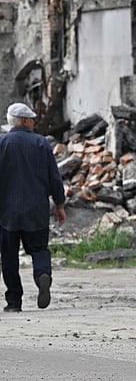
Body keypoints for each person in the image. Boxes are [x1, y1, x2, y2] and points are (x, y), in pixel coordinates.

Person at [0, 102, 66, 312]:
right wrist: (60, 204)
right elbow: (54, 178)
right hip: (36, 210)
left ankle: (13, 302)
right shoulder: (41, 143)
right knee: (39, 250)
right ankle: (42, 275)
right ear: (25, 121)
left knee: (8, 256)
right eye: (32, 121)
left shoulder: (2, 143)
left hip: (6, 213)